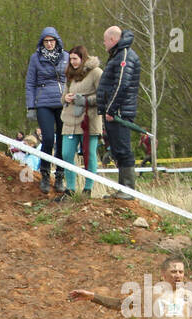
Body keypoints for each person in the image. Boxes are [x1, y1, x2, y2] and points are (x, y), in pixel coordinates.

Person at [25, 26, 67, 196]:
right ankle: (44, 174)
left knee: (63, 141)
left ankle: (60, 176)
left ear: (56, 41)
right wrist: (31, 106)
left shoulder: (66, 56)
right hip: (43, 102)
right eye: (46, 41)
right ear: (42, 42)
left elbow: (74, 78)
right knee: (48, 138)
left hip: (63, 102)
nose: (49, 44)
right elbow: (30, 83)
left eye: (52, 41)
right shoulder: (35, 58)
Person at [97, 24, 140, 193]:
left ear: (113, 40)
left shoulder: (124, 56)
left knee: (123, 150)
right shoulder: (117, 55)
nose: (104, 44)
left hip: (120, 113)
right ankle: (123, 188)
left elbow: (122, 84)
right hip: (115, 112)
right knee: (117, 150)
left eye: (105, 41)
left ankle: (128, 189)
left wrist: (111, 110)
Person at [60, 44, 101, 198]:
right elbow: (62, 96)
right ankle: (70, 189)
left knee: (89, 154)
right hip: (70, 120)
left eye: (75, 59)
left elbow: (103, 96)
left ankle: (87, 189)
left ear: (83, 58)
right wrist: (67, 98)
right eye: (70, 59)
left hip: (89, 121)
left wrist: (83, 100)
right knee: (66, 154)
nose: (73, 62)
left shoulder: (96, 73)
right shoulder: (69, 75)